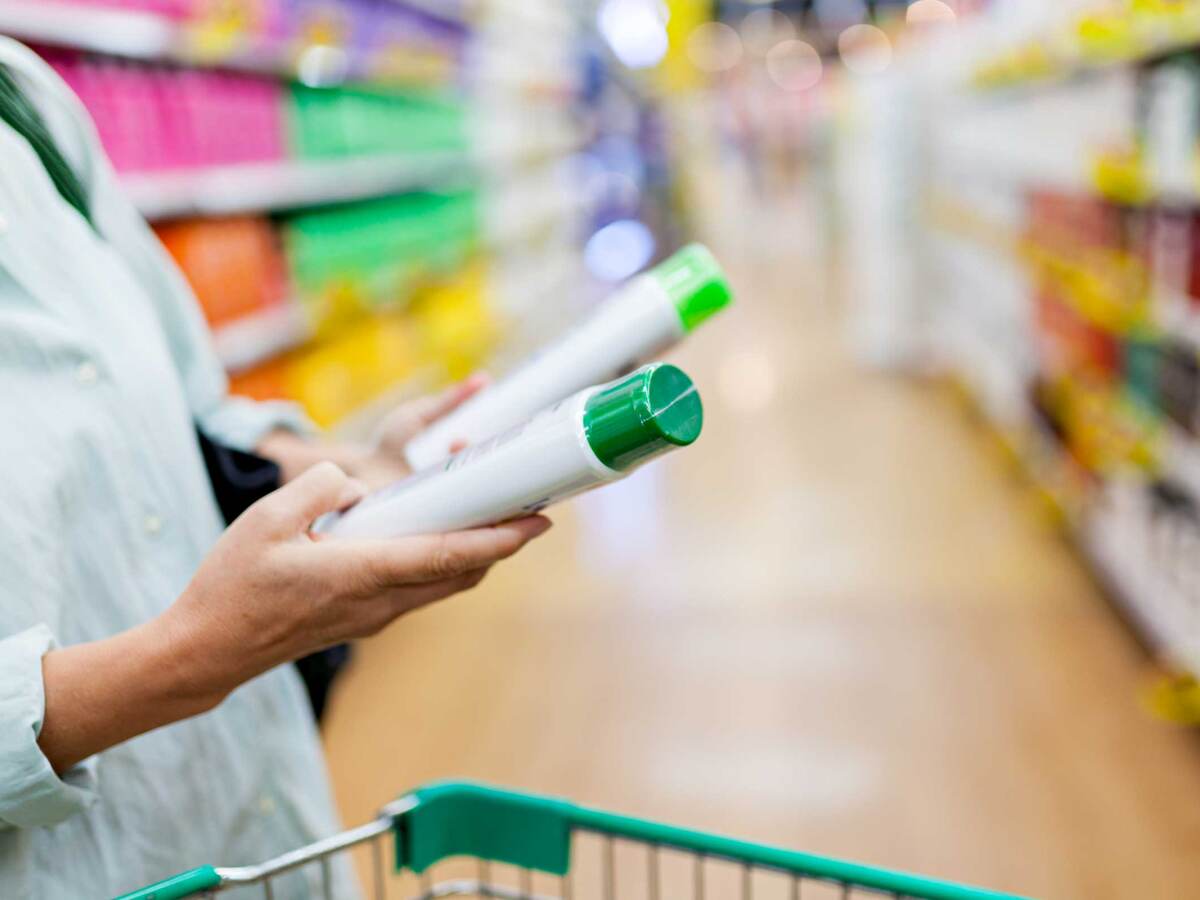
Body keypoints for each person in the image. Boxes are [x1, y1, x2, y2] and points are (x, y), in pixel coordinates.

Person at [0, 36, 550, 898]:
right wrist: (194, 654)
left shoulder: (21, 93)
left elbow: (191, 414)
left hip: (254, 827)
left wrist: (365, 468)